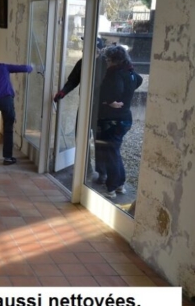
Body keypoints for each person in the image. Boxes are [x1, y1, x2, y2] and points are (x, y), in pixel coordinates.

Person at [53, 37, 108, 182]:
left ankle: (102, 173)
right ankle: (86, 170)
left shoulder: (105, 64)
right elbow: (73, 80)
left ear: (98, 50)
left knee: (99, 141)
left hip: (101, 109)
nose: (84, 49)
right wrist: (63, 92)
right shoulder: (82, 63)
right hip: (84, 106)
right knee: (81, 137)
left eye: (88, 46)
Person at [95, 45, 143, 198]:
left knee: (111, 153)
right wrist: (126, 96)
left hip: (113, 120)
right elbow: (139, 80)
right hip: (125, 118)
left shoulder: (114, 73)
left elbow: (115, 89)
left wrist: (109, 101)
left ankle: (112, 187)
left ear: (113, 60)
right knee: (114, 151)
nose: (107, 63)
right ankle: (120, 185)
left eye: (108, 60)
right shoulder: (131, 72)